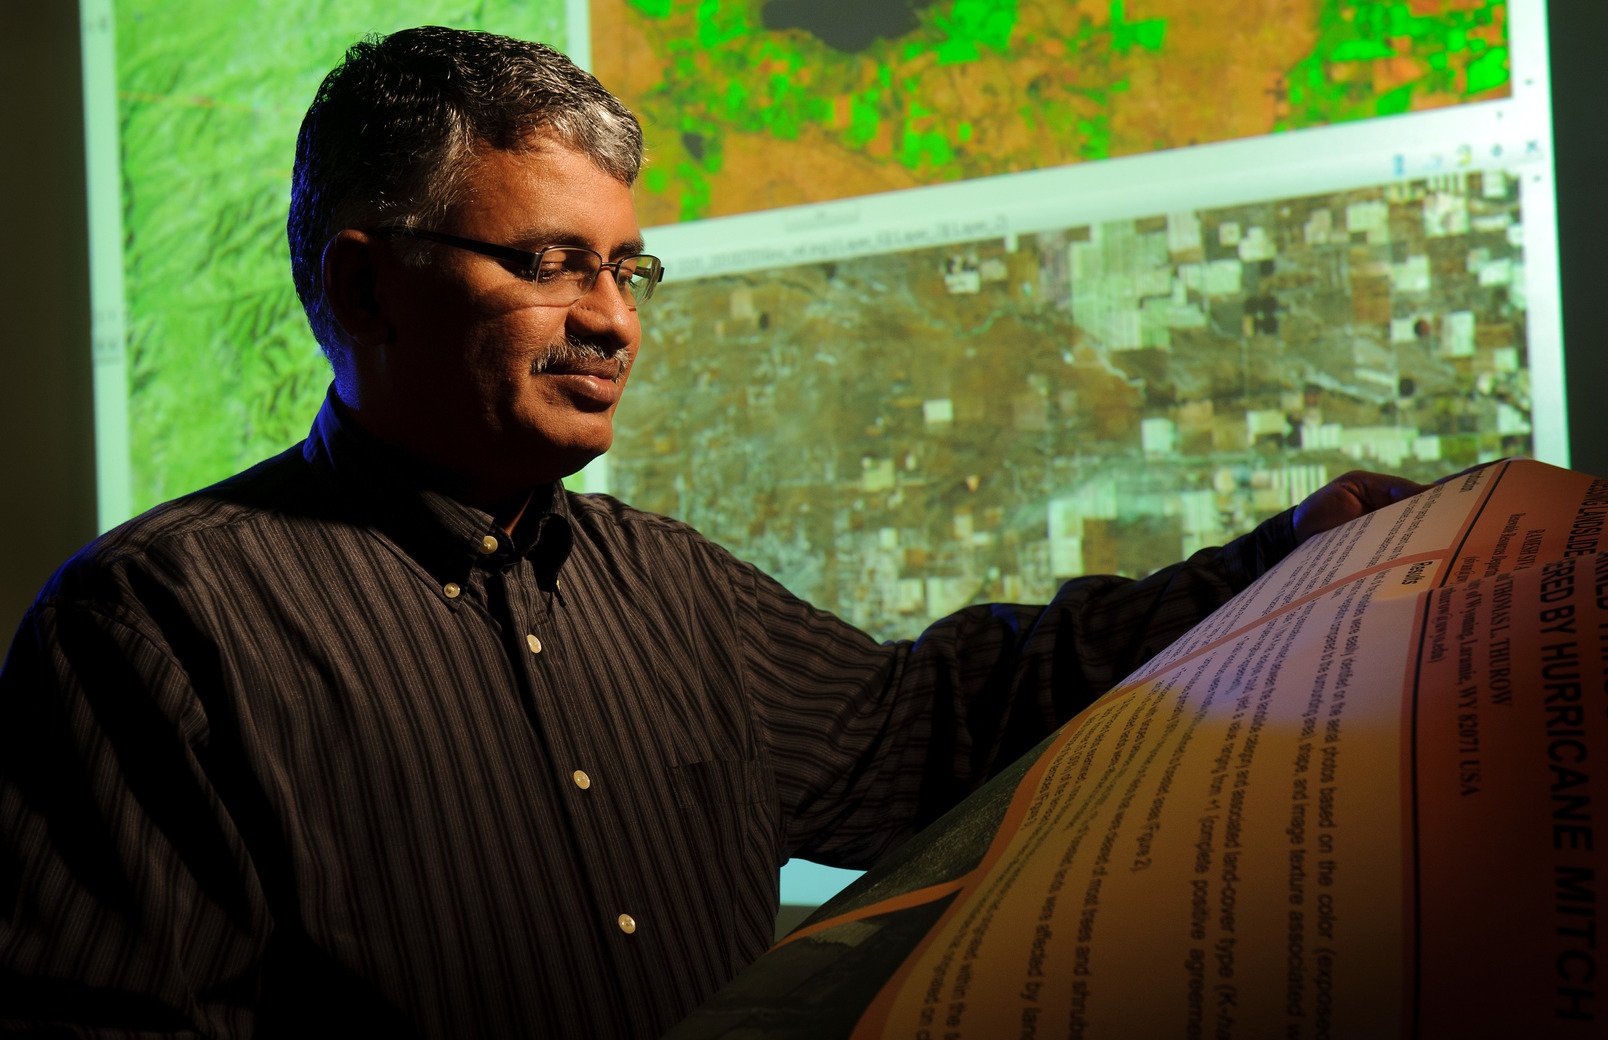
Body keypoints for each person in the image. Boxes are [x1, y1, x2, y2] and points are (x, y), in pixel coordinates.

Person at [0, 26, 1426, 1040]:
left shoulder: (666, 587)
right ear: (365, 290)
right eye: (550, 262)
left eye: (628, 267)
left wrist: (1287, 554)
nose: (616, 319)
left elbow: (929, 721)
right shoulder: (156, 627)